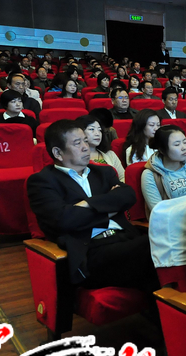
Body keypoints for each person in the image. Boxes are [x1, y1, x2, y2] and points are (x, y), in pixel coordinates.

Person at [26, 120, 157, 291]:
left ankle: (166, 304)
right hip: (92, 251)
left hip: (126, 238)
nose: (85, 147)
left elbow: (128, 196)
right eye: (77, 143)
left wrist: (87, 204)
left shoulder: (103, 172)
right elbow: (64, 220)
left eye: (85, 141)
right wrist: (109, 207)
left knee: (164, 243)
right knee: (155, 247)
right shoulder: (42, 182)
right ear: (58, 152)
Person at [141, 125, 186, 217]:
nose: (184, 148)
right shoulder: (150, 175)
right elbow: (158, 211)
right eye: (177, 144)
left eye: (185, 142)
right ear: (162, 150)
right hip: (171, 222)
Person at [74, 115, 125, 182]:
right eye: (92, 129)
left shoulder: (110, 154)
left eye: (99, 130)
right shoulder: (73, 156)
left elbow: (123, 177)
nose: (97, 134)